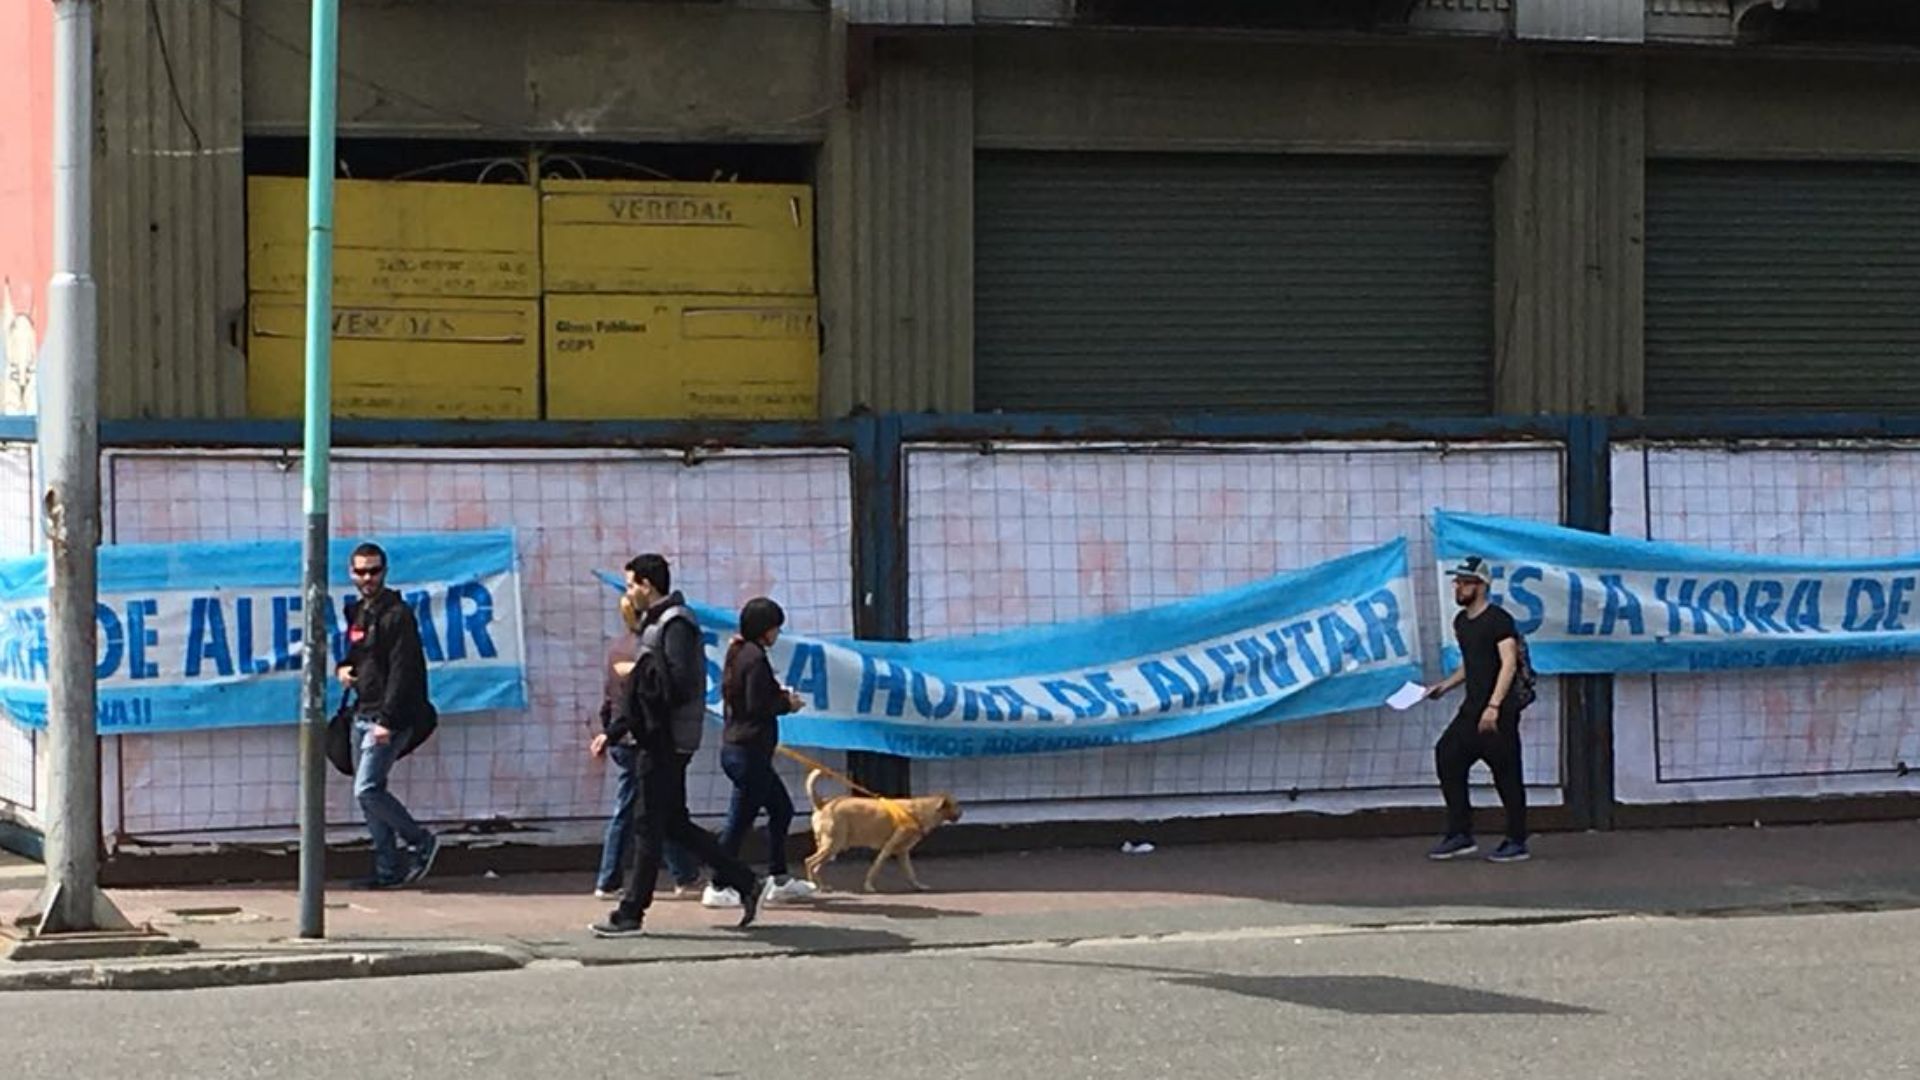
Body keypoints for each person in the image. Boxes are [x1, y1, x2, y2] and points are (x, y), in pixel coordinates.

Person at [590, 554, 761, 938]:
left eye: (632, 584)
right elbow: (649, 690)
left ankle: (631, 913)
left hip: (666, 739)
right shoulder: (657, 624)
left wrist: (638, 676)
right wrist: (618, 729)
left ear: (648, 585)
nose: (630, 592)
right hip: (652, 735)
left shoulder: (676, 622)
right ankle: (746, 881)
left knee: (648, 825)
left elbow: (679, 682)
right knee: (673, 825)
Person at [702, 597, 817, 909]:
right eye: (774, 628)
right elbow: (756, 704)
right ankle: (717, 883)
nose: (777, 634)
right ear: (764, 629)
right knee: (740, 822)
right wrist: (786, 704)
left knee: (781, 810)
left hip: (743, 751)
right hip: (747, 753)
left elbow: (752, 694)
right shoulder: (753, 657)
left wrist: (778, 696)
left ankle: (778, 878)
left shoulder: (740, 651)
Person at [337, 541, 440, 888]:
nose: (368, 577)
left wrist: (387, 722)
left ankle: (420, 840)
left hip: (387, 717)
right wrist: (344, 668)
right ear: (351, 573)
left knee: (366, 790)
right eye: (361, 571)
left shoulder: (397, 614)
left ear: (385, 572)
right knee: (369, 793)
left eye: (374, 571)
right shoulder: (359, 611)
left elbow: (403, 671)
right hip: (361, 711)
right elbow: (355, 652)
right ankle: (386, 869)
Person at [590, 593, 700, 901]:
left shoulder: (617, 647)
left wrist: (607, 731)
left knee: (646, 808)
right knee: (641, 810)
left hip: (620, 733)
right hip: (638, 735)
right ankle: (612, 878)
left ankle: (681, 872)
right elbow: (648, 695)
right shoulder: (646, 648)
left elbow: (610, 695)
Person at [1424, 556, 1530, 863]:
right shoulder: (1462, 622)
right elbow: (1472, 665)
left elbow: (1507, 663)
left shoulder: (1498, 620)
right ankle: (1460, 833)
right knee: (1448, 755)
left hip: (1498, 712)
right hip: (1471, 710)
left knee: (1506, 775)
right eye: (1457, 582)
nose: (1459, 587)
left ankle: (1516, 839)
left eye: (1466, 582)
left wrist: (1494, 706)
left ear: (1482, 586)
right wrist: (1445, 686)